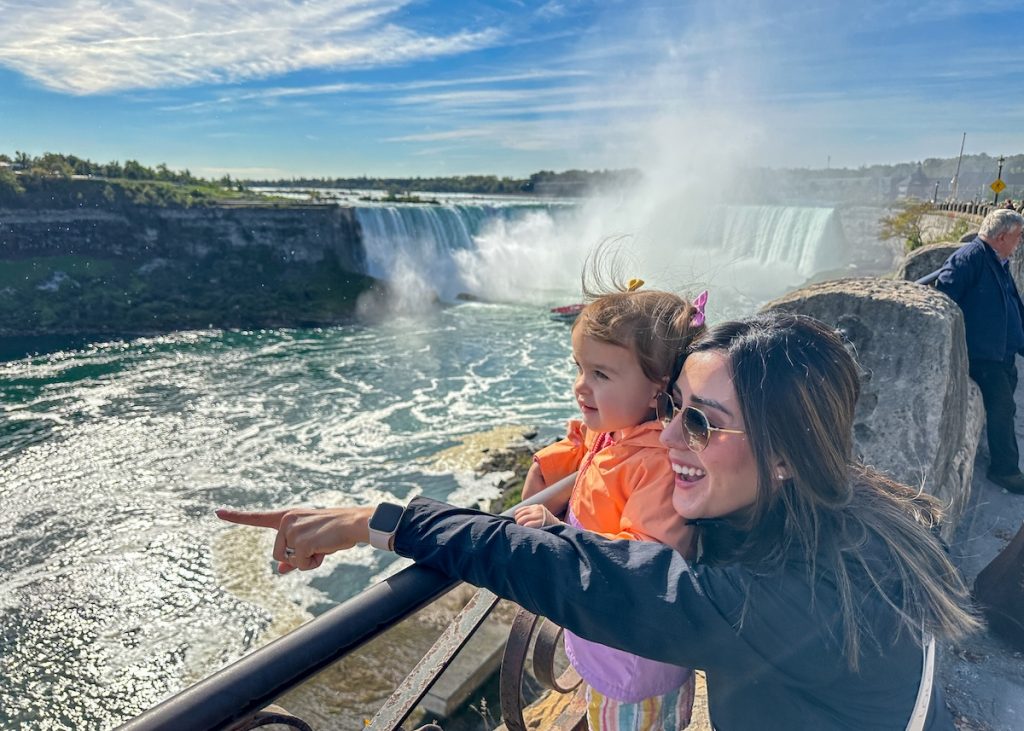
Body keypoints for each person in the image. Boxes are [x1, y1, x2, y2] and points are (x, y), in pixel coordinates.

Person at [218, 311, 979, 730]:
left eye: (703, 424)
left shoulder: (776, 599)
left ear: (784, 454)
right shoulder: (858, 509)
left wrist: (373, 519)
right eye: (673, 406)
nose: (670, 436)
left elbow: (578, 575)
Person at [512, 278, 706, 730]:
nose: (581, 387)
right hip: (607, 639)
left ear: (659, 389)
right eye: (579, 367)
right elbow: (586, 456)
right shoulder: (615, 430)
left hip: (636, 663)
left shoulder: (659, 464)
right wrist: (549, 467)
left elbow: (641, 565)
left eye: (600, 374)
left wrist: (555, 531)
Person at [935, 208, 1024, 494]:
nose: (1020, 242)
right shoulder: (969, 258)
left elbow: (1012, 305)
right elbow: (944, 300)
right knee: (1002, 408)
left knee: (1004, 405)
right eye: (1018, 236)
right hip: (983, 356)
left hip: (1000, 353)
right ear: (1001, 236)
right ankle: (1005, 471)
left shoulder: (998, 260)